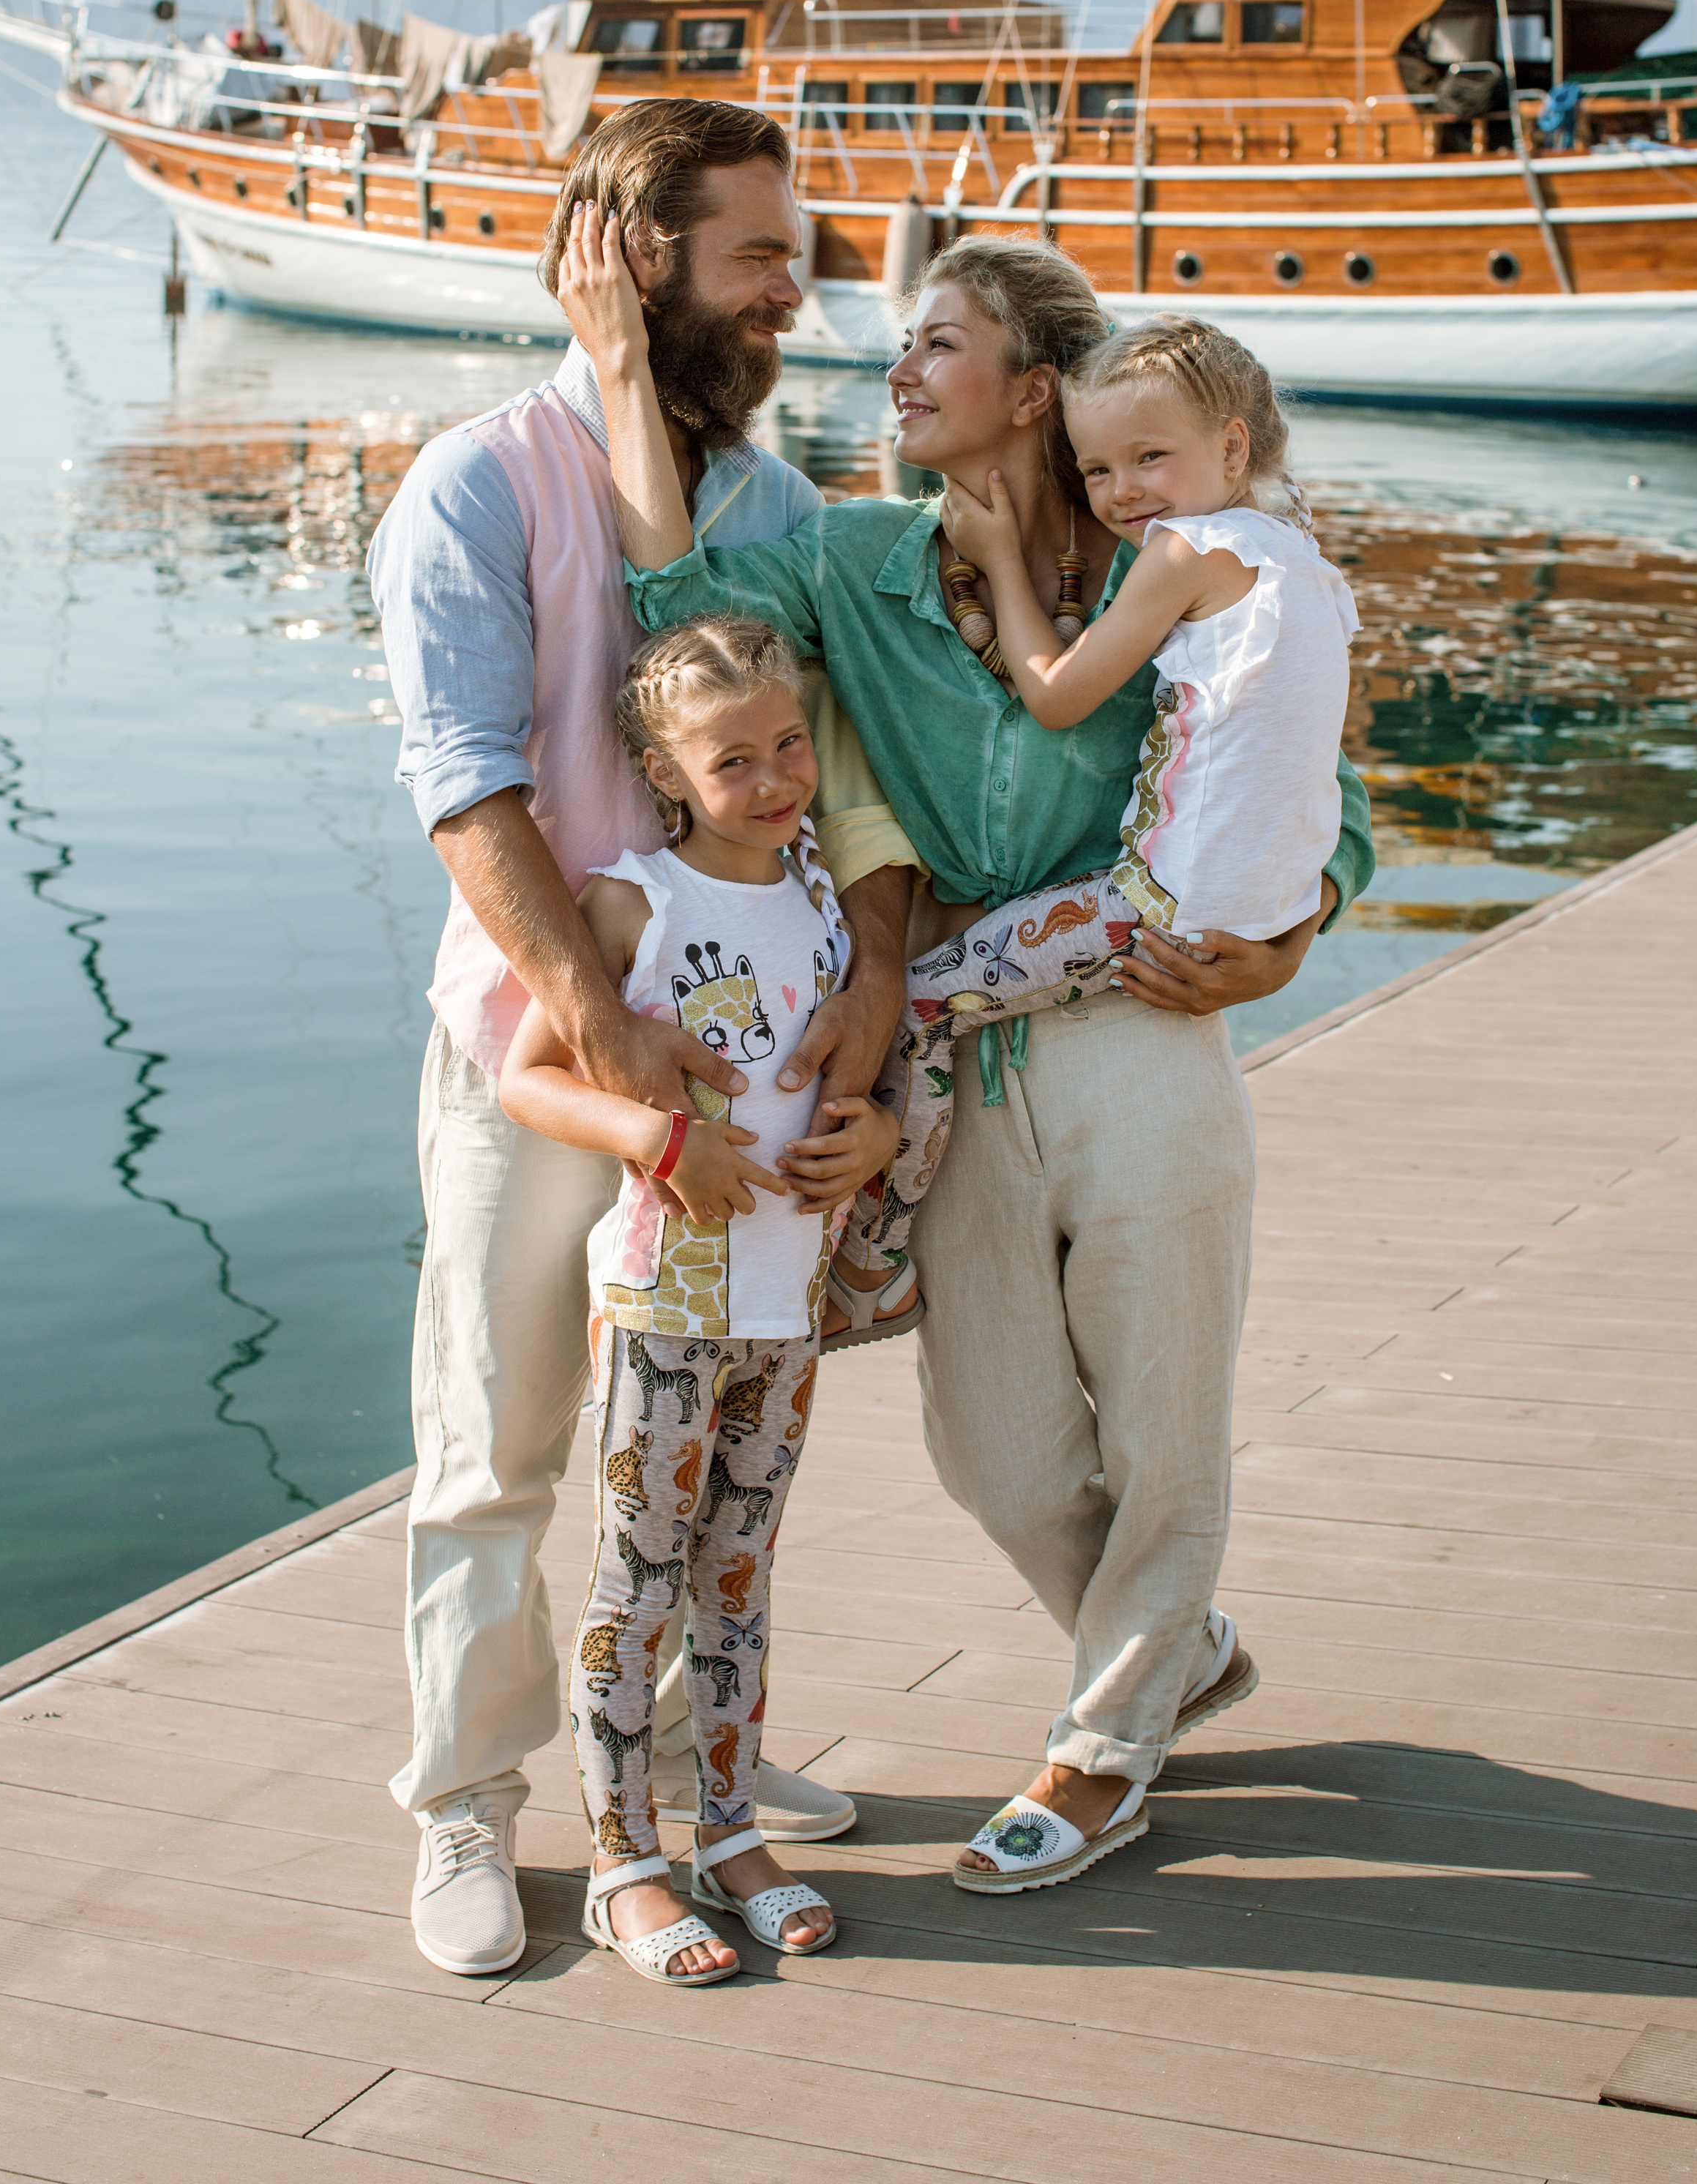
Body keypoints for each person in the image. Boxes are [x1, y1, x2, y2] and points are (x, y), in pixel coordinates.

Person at [556, 216, 1375, 1901]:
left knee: (1162, 1420)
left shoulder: (1177, 546)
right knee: (993, 1450)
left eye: (939, 343)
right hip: (952, 1038)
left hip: (1143, 1025)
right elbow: (674, 603)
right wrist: (626, 375)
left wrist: (1294, 932)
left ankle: (1099, 1755)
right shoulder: (854, 560)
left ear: (1033, 390)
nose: (900, 369)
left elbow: (1313, 785)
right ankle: (1165, 1649)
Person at [365, 99, 915, 1980]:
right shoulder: (473, 482)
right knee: (499, 1439)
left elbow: (839, 780)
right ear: (629, 253)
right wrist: (602, 1027)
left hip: (752, 1072)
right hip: (539, 1064)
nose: (795, 287)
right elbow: (469, 785)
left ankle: (681, 1765)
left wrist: (868, 999)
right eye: (758, 254)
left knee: (699, 1437)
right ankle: (466, 1801)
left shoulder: (773, 512)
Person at [498, 616, 899, 1981]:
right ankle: (624, 1860)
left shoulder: (825, 902)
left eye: (790, 745)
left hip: (785, 1309)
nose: (778, 777)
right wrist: (660, 1142)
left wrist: (881, 1136)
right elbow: (531, 1079)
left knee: (739, 1571)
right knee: (638, 1574)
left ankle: (728, 1831)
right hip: (669, 1301)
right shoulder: (636, 901)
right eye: (734, 759)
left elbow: (847, 1075)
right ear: (668, 773)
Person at [838, 315, 1360, 1317]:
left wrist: (994, 556)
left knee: (919, 1002)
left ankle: (878, 1255)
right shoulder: (1304, 559)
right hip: (1258, 909)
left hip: (1152, 908)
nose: (1123, 493)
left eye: (1149, 458)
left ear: (1233, 446)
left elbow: (1057, 693)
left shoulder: (1184, 553)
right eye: (1098, 469)